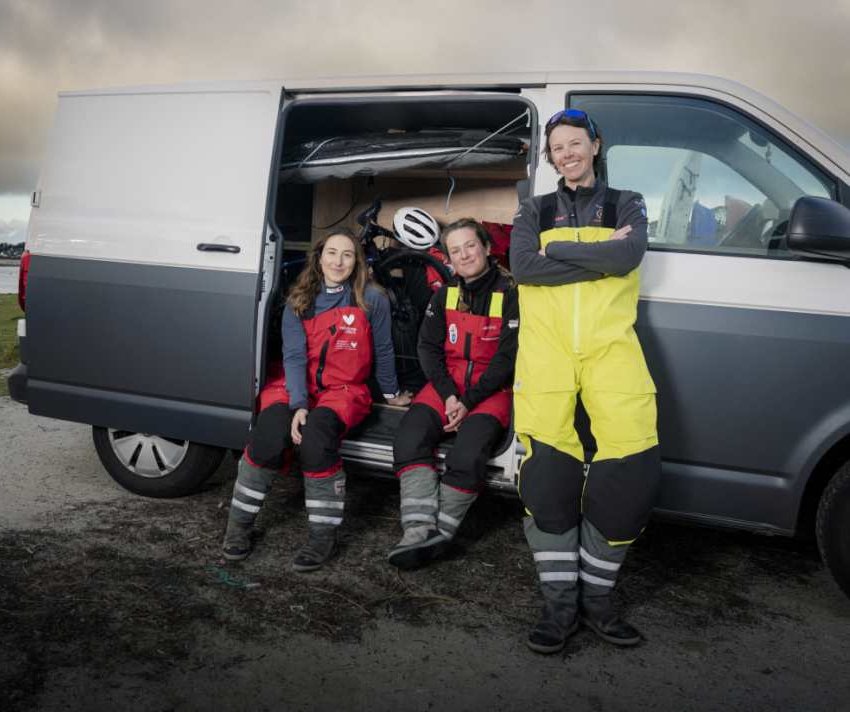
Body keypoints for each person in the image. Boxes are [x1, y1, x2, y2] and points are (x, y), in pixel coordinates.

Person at [510, 108, 660, 653]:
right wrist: (601, 258)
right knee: (547, 478)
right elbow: (524, 268)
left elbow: (629, 253)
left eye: (576, 143)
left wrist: (560, 249)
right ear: (550, 157)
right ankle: (560, 608)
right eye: (558, 148)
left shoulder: (629, 202)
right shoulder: (534, 209)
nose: (567, 153)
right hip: (546, 356)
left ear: (595, 145)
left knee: (633, 470)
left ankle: (598, 601)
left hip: (610, 350)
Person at [221, 228, 412, 572]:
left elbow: (384, 350)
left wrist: (391, 393)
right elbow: (294, 357)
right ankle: (238, 526)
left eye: (347, 254)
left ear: (357, 262)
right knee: (268, 436)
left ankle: (321, 536)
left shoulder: (373, 299)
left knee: (317, 439)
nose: (338, 261)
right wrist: (298, 405)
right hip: (296, 385)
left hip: (344, 391)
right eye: (332, 253)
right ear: (319, 257)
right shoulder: (300, 300)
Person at [388, 218, 518, 568]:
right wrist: (448, 395)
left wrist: (469, 401)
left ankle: (440, 535)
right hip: (447, 387)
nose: (464, 255)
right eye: (455, 250)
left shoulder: (511, 295)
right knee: (408, 440)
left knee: (467, 455)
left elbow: (507, 359)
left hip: (491, 391)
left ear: (488, 248)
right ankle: (417, 530)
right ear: (448, 258)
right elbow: (427, 348)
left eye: (470, 246)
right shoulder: (444, 294)